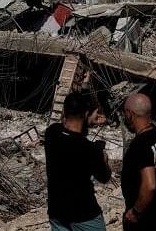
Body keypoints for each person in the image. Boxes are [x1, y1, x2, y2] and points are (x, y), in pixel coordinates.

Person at [45, 91, 111, 231]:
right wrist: (103, 158)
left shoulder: (51, 133)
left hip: (57, 211)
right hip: (84, 214)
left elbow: (72, 131)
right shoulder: (90, 149)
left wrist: (87, 119)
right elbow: (104, 177)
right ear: (86, 114)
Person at [121, 93, 156, 231]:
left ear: (129, 114)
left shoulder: (140, 145)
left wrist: (135, 212)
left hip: (141, 216)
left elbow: (149, 185)